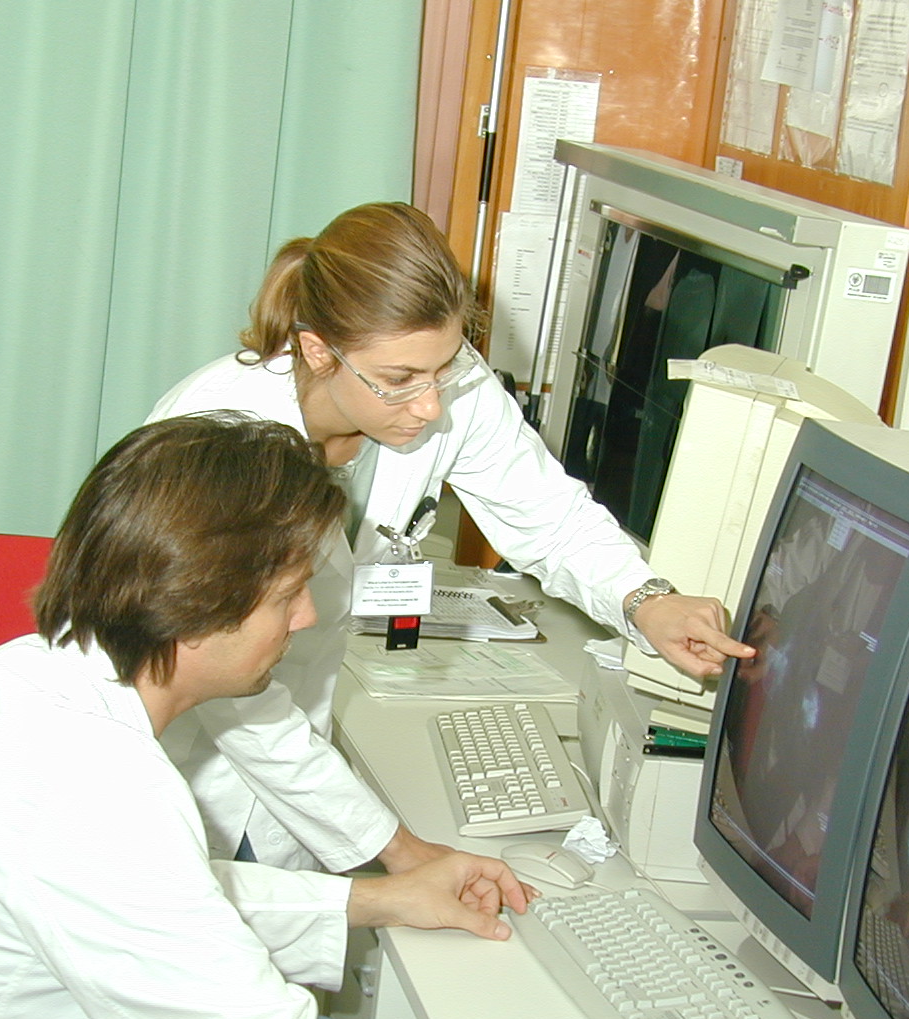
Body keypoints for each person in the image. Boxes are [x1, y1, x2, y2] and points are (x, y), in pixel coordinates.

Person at [0, 414, 815, 1019]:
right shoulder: (93, 787)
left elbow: (161, 904)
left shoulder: (25, 675)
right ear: (199, 605)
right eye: (288, 592)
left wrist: (379, 899)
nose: (307, 615)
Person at [149, 202, 754, 875]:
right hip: (191, 762)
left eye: (446, 370)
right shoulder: (216, 439)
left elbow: (546, 513)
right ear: (319, 351)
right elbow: (228, 685)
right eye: (400, 381)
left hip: (295, 739)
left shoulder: (434, 374)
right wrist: (395, 849)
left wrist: (646, 600)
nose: (431, 405)